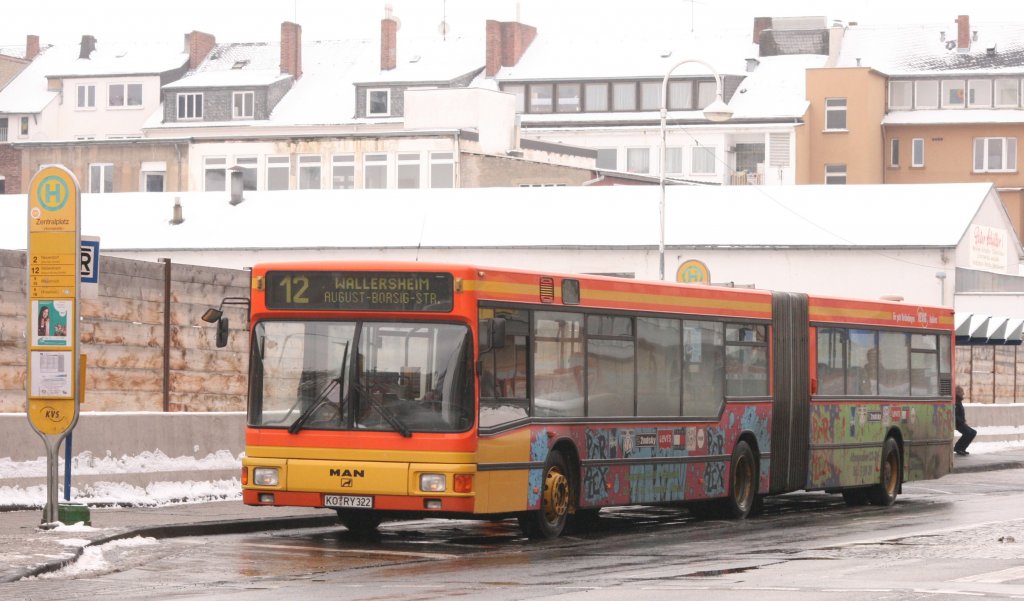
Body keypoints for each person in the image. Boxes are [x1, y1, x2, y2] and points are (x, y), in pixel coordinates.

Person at [954, 385, 976, 456]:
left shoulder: (958, 401)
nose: (963, 393)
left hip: (961, 423)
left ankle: (962, 448)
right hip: (958, 423)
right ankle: (958, 448)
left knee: (973, 432)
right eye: (962, 392)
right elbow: (954, 414)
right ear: (958, 393)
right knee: (968, 433)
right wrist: (961, 421)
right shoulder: (956, 401)